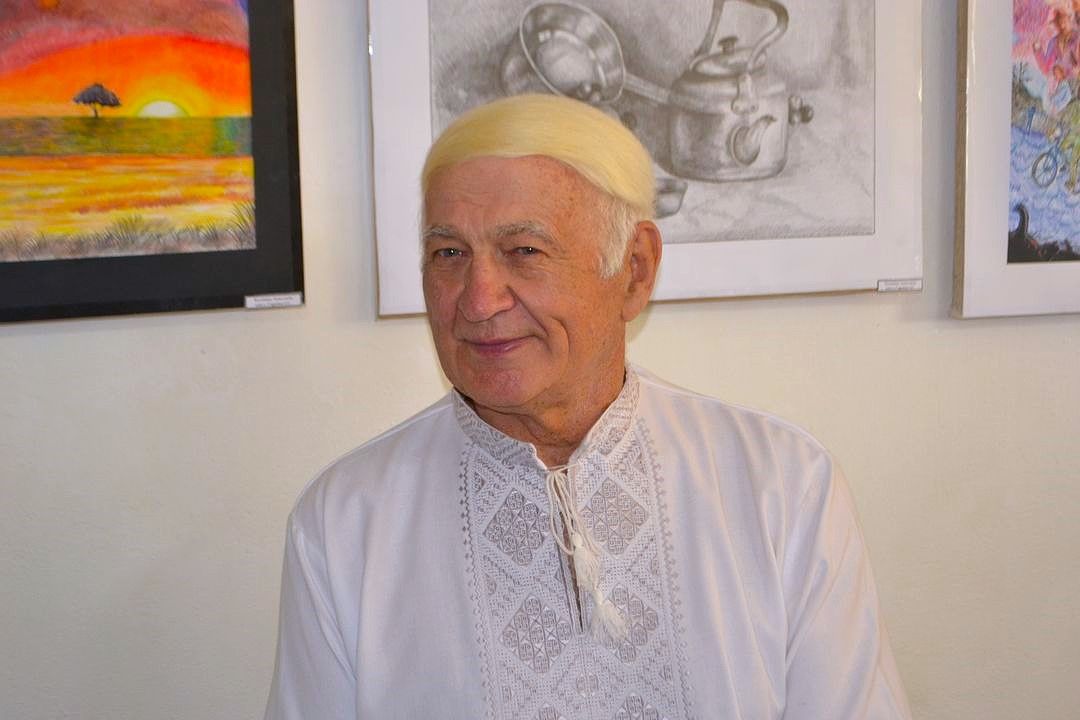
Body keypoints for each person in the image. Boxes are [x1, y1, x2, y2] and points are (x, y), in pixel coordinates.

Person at [263, 94, 911, 720]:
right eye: (449, 254)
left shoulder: (781, 487)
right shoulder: (346, 522)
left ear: (635, 269)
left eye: (525, 251)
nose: (479, 300)